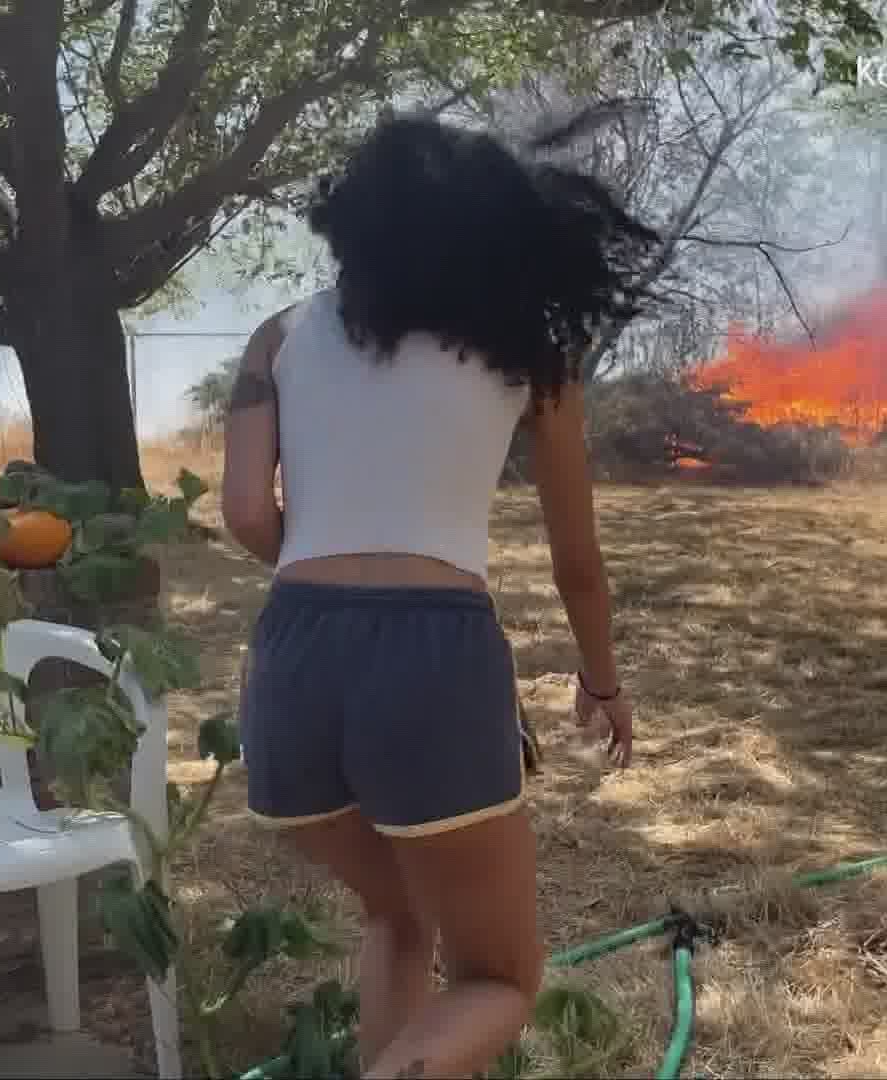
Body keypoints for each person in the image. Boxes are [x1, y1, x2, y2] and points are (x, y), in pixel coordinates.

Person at [219, 111, 657, 1079]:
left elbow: (246, 511)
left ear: (353, 223)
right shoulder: (532, 351)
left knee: (397, 912)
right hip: (432, 654)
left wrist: (327, 580)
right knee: (499, 978)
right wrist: (602, 683)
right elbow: (576, 561)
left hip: (290, 654)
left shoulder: (277, 338)